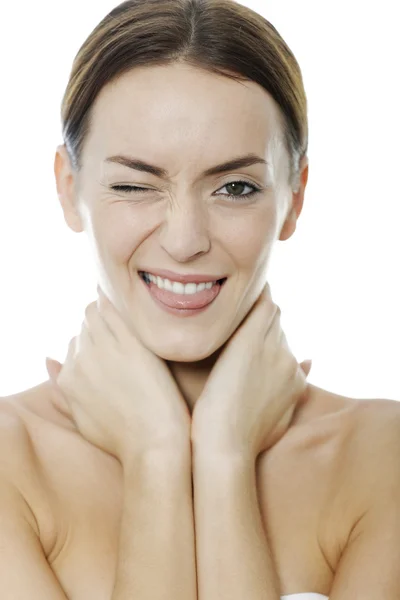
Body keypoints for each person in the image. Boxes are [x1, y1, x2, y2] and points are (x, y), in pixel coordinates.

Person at [1, 0, 400, 598]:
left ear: (295, 196)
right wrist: (156, 456)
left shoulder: (383, 459)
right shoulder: (10, 462)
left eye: (235, 187)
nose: (184, 241)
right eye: (136, 185)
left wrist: (224, 457)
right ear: (68, 187)